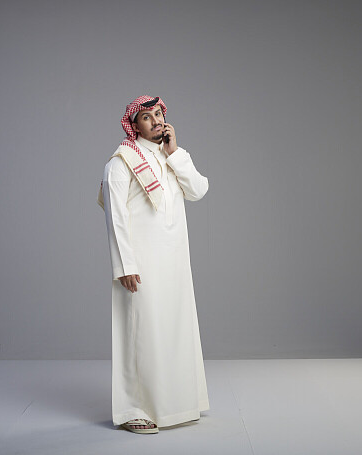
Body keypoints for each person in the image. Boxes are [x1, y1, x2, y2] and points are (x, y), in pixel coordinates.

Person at [97, 95, 210, 434]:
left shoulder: (172, 156)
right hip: (141, 266)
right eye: (147, 117)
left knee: (173, 330)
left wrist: (175, 154)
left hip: (174, 264)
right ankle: (133, 409)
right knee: (141, 334)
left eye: (159, 114)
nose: (157, 120)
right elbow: (116, 218)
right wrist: (124, 265)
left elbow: (199, 190)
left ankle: (178, 403)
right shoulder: (121, 162)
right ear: (134, 125)